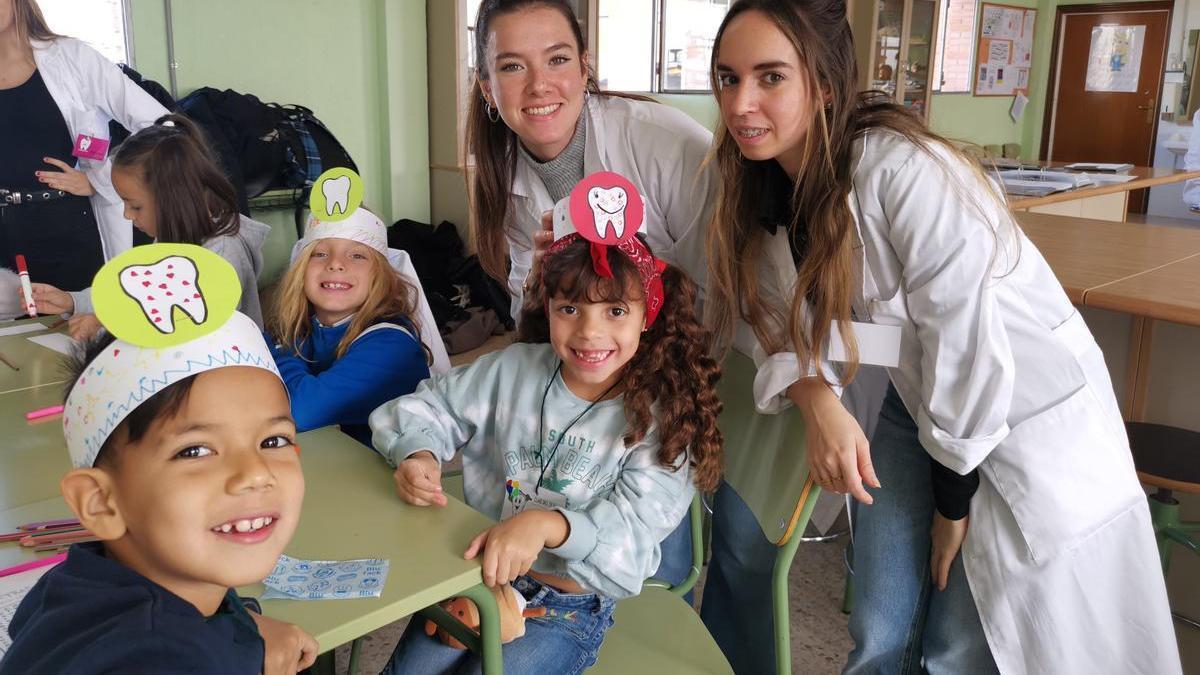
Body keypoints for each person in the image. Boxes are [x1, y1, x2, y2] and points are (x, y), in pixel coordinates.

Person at [704, 1, 1181, 673]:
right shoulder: (761, 183)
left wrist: (952, 503)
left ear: (825, 81)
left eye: (770, 77)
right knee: (880, 622)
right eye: (728, 77)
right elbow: (772, 324)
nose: (742, 102)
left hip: (1018, 418)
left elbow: (968, 340)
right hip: (918, 399)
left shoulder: (904, 171)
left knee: (960, 642)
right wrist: (818, 401)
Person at [370, 204, 723, 673]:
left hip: (568, 608)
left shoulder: (664, 417)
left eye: (615, 310)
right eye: (570, 308)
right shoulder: (512, 370)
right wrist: (417, 451)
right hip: (478, 577)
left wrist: (546, 525)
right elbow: (424, 408)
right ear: (549, 308)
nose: (589, 331)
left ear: (647, 314)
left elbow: (630, 543)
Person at [467, 0, 718, 592]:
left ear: (585, 66)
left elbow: (728, 274)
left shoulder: (661, 142)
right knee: (582, 516)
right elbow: (528, 313)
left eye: (556, 59)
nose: (538, 85)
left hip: (688, 357)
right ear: (486, 87)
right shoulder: (502, 174)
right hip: (594, 371)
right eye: (511, 67)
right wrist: (540, 286)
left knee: (667, 548)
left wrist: (631, 287)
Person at [0, 245, 316, 675]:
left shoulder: (76, 583)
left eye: (274, 441)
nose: (254, 474)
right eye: (195, 450)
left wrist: (240, 633)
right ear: (100, 502)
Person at [26, 114, 269, 339]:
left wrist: (105, 325)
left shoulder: (223, 252)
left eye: (135, 206)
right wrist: (72, 301)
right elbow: (131, 294)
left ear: (174, 198)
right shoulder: (171, 238)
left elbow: (184, 327)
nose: (127, 215)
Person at [0, 0, 167, 290]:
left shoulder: (72, 58)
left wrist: (101, 179)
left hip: (70, 231)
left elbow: (161, 125)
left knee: (78, 329)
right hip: (4, 243)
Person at [267, 205, 432, 447]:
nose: (335, 264)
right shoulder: (306, 329)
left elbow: (300, 411)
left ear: (382, 277)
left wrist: (274, 349)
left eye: (357, 255)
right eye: (320, 254)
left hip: (382, 477)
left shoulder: (392, 346)